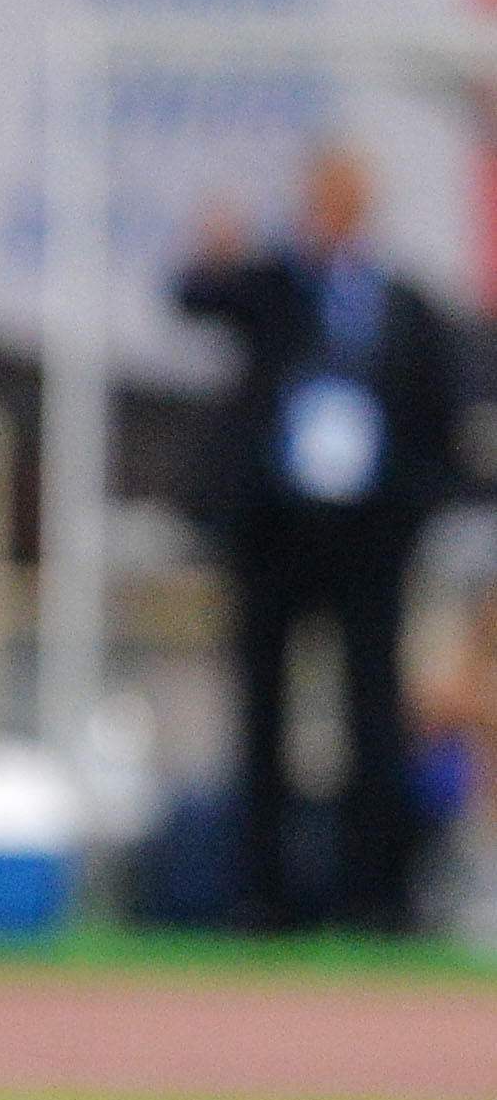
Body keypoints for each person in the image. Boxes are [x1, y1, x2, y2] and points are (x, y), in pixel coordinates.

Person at [177, 144, 461, 934]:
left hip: (368, 538)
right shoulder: (272, 287)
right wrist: (210, 256)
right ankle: (262, 895)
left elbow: (438, 418)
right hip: (275, 533)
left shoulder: (401, 302)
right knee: (260, 711)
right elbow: (196, 300)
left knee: (372, 715)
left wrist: (413, 509)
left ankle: (376, 898)